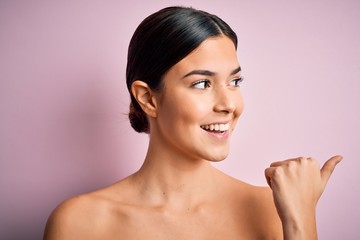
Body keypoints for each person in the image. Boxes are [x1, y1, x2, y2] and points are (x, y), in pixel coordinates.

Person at [44, 6, 342, 239]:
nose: (229, 105)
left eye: (235, 81)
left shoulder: (274, 208)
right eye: (202, 84)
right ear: (148, 99)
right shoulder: (80, 222)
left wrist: (301, 221)